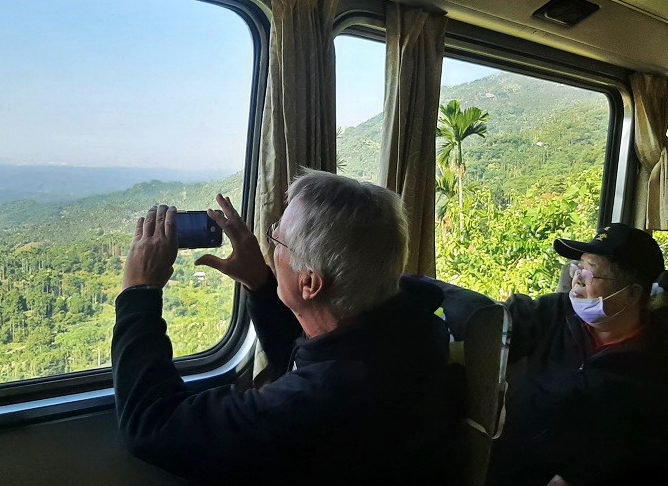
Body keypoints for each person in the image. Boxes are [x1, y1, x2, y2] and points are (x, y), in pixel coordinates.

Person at [112, 170, 459, 485]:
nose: (271, 241)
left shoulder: (323, 399)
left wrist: (139, 294)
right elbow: (308, 356)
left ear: (310, 283)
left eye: (278, 240)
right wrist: (260, 282)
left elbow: (151, 425)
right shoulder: (408, 328)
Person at [438, 223, 668, 486]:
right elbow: (494, 328)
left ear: (632, 294)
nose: (577, 280)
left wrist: (577, 475)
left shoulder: (661, 371)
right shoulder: (554, 313)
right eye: (577, 268)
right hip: (507, 465)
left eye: (590, 274)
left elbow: (654, 453)